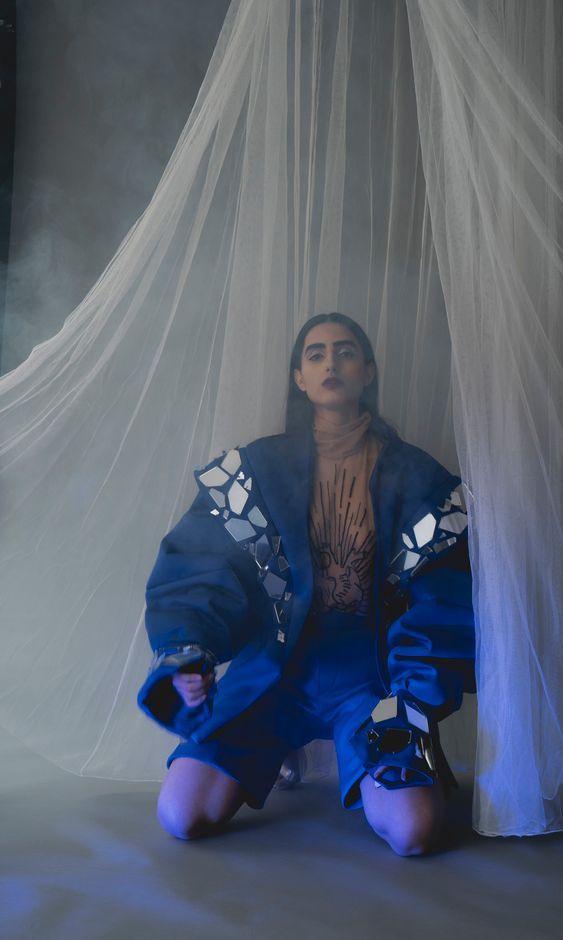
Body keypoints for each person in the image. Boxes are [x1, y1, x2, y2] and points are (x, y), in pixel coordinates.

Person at [137, 313, 476, 856]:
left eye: (345, 351)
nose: (331, 363)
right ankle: (275, 745)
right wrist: (190, 653)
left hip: (372, 679)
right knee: (181, 816)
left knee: (413, 831)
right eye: (316, 355)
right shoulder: (253, 471)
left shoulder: (418, 477)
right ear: (299, 377)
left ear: (368, 371)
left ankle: (356, 750)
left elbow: (443, 594)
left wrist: (412, 693)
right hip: (271, 672)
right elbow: (200, 564)